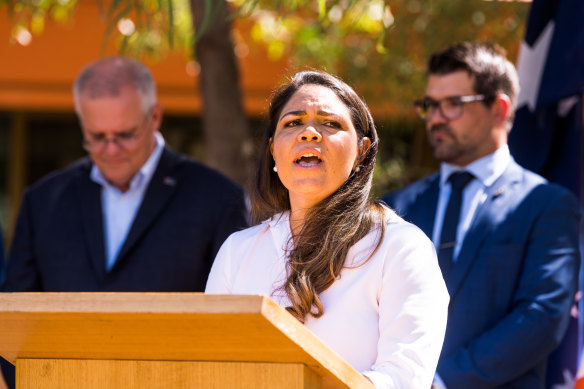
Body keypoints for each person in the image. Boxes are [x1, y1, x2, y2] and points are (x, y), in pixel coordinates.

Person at [0, 57, 247, 387]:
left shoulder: (216, 197)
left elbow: (236, 325)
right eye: (97, 137)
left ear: (154, 116)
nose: (111, 150)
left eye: (126, 135)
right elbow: (15, 320)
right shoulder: (44, 201)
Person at [205, 70, 449, 388]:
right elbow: (210, 366)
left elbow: (403, 376)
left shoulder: (400, 247)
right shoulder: (238, 251)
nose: (309, 133)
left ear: (362, 151)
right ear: (273, 150)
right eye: (292, 123)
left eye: (330, 123)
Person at [382, 42, 581, 389]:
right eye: (430, 105)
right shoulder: (393, 209)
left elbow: (541, 317)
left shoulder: (547, 204)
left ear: (499, 108)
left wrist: (441, 382)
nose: (437, 117)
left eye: (453, 104)